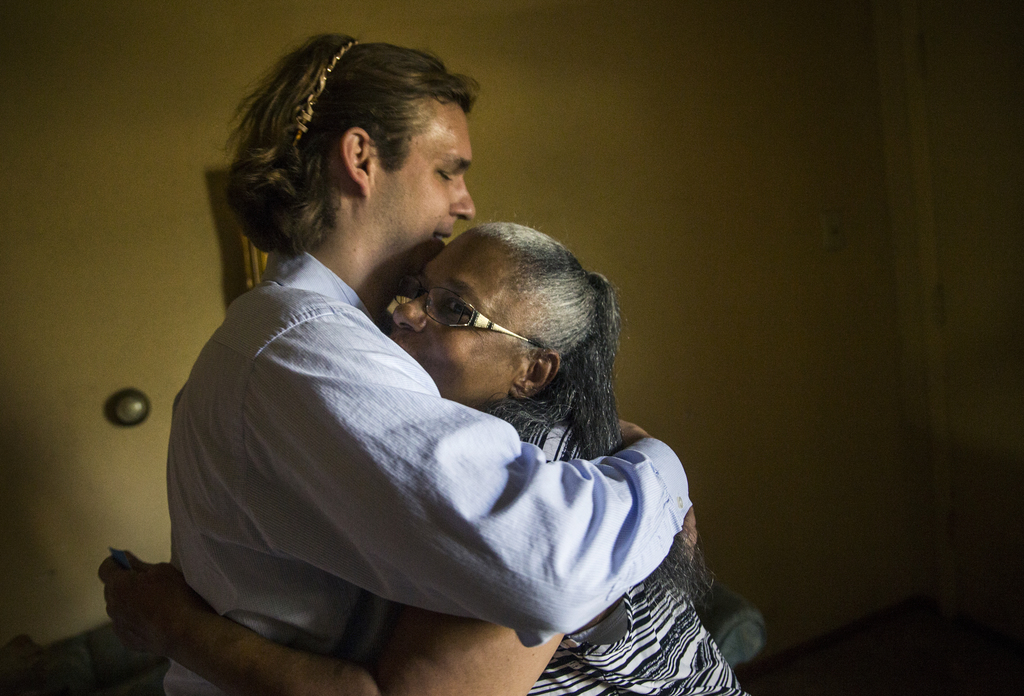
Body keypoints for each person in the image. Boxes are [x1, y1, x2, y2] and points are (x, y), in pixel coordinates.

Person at [127, 33, 692, 696]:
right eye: (448, 170)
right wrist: (660, 466)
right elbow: (551, 566)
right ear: (361, 158)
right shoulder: (309, 353)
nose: (466, 201)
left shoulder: (300, 336)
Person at [102, 224, 745, 695]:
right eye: (418, 290)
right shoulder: (453, 438)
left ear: (532, 371)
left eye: (454, 310)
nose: (406, 313)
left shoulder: (535, 478)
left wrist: (173, 626)